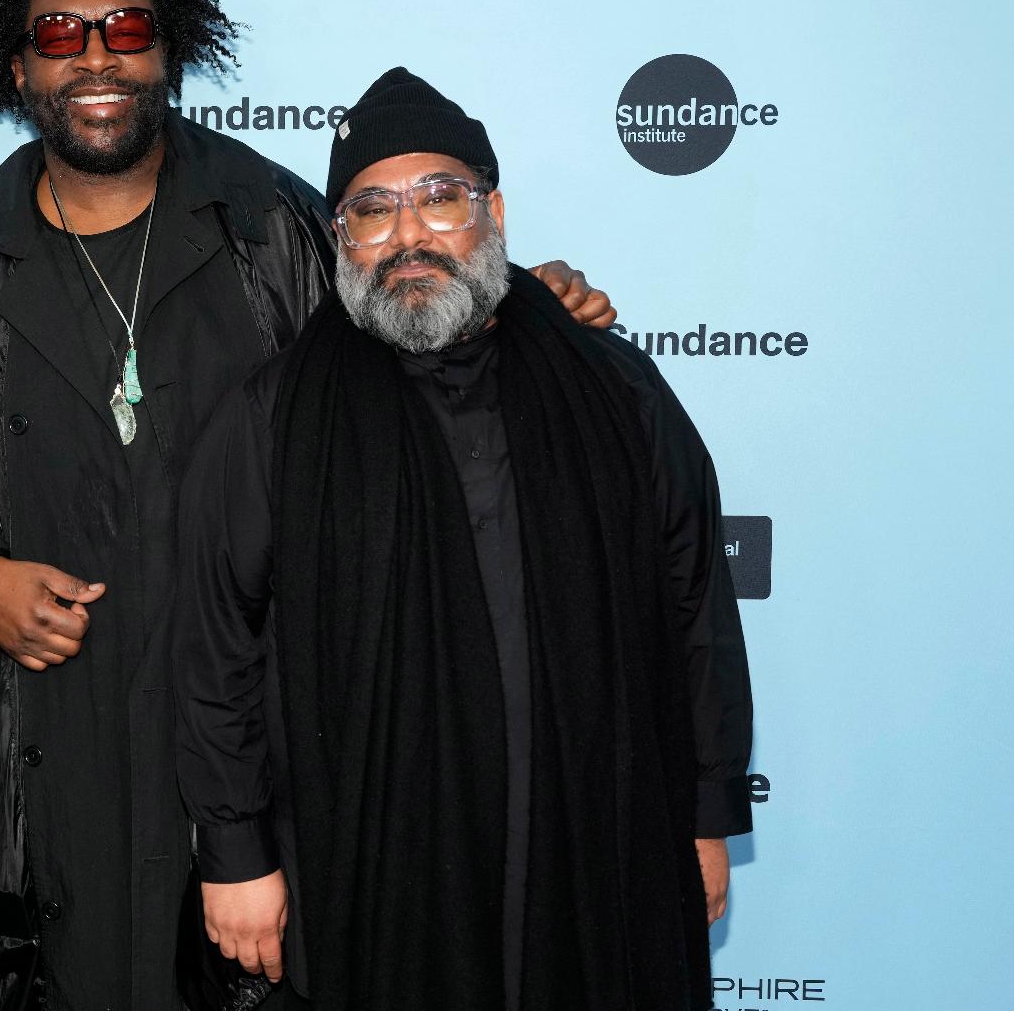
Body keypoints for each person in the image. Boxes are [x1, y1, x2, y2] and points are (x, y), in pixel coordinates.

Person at [0, 0, 615, 1010]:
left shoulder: (278, 230)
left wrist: (529, 313)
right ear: (19, 68)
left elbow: (410, 339)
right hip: (22, 742)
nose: (97, 57)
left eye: (128, 29)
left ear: (172, 52)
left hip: (243, 718)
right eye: (61, 34)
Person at [174, 67, 755, 1010]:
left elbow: (693, 606)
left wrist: (705, 815)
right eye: (372, 209)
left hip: (596, 837)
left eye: (440, 199)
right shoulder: (274, 416)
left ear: (494, 211)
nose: (409, 234)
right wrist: (235, 853)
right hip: (375, 864)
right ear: (340, 241)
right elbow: (213, 650)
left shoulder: (616, 390)